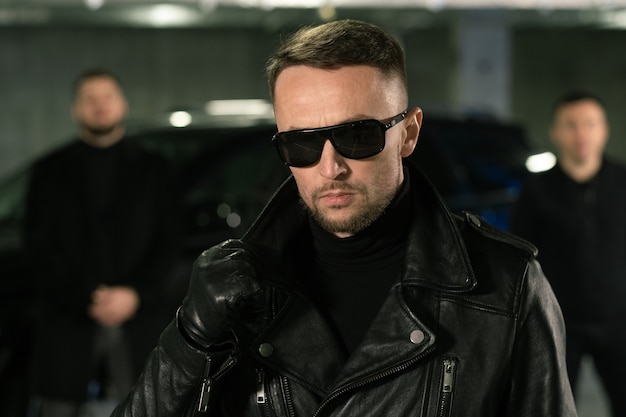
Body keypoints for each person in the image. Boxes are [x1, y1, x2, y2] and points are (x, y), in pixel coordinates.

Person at [112, 20, 576, 416]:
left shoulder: (505, 285)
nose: (330, 167)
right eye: (302, 144)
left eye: (358, 135)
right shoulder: (233, 289)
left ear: (408, 134)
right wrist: (191, 340)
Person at [24, 68, 181, 417]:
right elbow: (38, 248)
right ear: (75, 109)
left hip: (140, 321)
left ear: (122, 104)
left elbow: (169, 244)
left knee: (148, 406)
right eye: (89, 99)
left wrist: (136, 293)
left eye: (107, 97)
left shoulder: (154, 170)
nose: (99, 106)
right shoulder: (49, 172)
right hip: (68, 322)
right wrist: (85, 296)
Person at [511, 91, 626, 416]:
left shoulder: (623, 182)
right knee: (554, 408)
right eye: (571, 125)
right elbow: (521, 257)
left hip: (619, 319)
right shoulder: (536, 189)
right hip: (559, 321)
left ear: (604, 129)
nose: (581, 134)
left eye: (590, 124)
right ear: (555, 132)